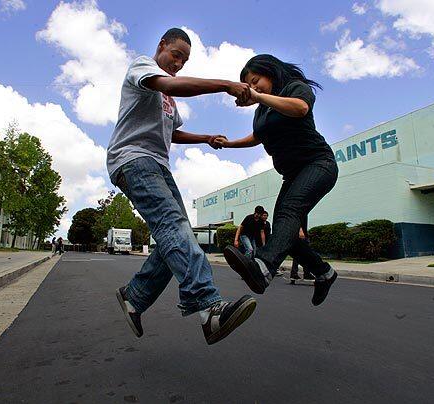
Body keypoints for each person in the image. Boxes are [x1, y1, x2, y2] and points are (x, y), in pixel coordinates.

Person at [107, 28, 257, 345]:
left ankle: (135, 297)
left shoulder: (169, 102)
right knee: (173, 225)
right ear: (161, 46)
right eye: (176, 55)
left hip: (158, 165)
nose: (178, 64)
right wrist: (225, 85)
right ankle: (208, 308)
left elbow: (174, 133)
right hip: (132, 160)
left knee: (177, 236)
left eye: (184, 61)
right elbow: (171, 83)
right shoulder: (142, 67)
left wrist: (204, 138)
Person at [216, 54, 339, 306]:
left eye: (255, 81)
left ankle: (263, 267)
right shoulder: (261, 112)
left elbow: (300, 108)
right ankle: (324, 273)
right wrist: (228, 144)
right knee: (288, 234)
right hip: (292, 175)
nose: (253, 88)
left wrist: (259, 96)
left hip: (318, 164)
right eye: (248, 86)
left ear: (270, 72)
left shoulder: (294, 88)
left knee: (289, 213)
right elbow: (257, 137)